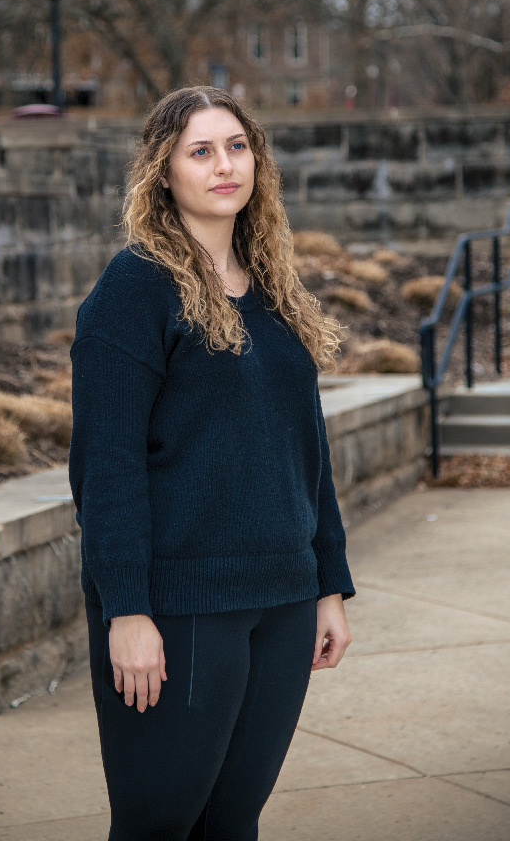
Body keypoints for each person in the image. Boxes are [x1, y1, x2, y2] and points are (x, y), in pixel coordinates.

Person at [69, 85, 354, 841]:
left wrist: (328, 584)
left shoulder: (272, 288)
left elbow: (306, 449)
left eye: (237, 147)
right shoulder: (135, 289)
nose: (225, 165)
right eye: (200, 151)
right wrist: (125, 608)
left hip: (284, 601)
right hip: (183, 607)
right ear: (162, 173)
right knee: (159, 821)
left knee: (233, 823)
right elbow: (109, 466)